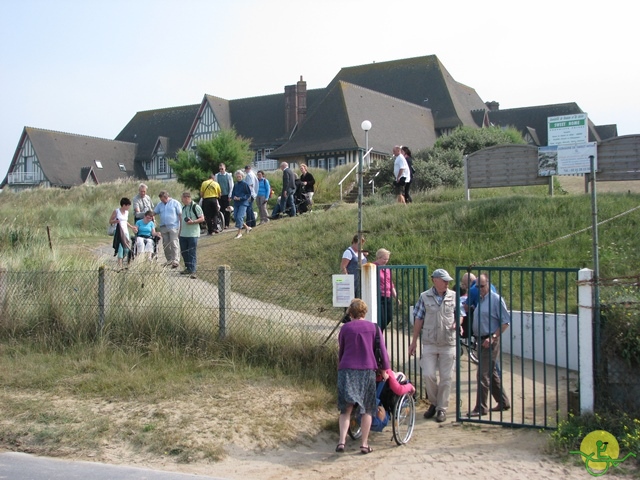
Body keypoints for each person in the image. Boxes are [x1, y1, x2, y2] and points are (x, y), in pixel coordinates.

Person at [336, 298, 390, 455]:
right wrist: (385, 369)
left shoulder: (345, 329)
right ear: (364, 312)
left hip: (347, 369)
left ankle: (341, 441)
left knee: (346, 409)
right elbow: (382, 351)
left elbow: (342, 350)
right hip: (367, 370)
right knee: (367, 408)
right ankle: (364, 444)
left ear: (350, 313)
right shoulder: (373, 328)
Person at [409, 268, 457, 423]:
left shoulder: (453, 296)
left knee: (446, 378)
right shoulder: (424, 296)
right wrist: (414, 341)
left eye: (448, 281)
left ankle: (441, 408)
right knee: (429, 374)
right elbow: (418, 319)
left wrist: (458, 323)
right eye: (444, 281)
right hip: (429, 342)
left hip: (448, 342)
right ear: (435, 281)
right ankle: (435, 403)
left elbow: (460, 314)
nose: (447, 283)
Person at [467, 273, 511, 417]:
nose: (480, 289)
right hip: (481, 340)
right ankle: (503, 402)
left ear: (489, 284)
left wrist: (492, 337)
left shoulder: (495, 300)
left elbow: (505, 322)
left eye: (482, 286)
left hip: (490, 341)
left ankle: (481, 408)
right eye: (477, 286)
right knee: (491, 373)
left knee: (482, 374)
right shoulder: (481, 300)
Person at [154, 190, 182, 268]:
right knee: (165, 244)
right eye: (161, 200)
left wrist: (181, 226)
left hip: (173, 226)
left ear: (166, 197)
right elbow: (154, 212)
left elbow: (180, 214)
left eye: (163, 199)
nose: (162, 201)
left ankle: (175, 260)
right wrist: (153, 219)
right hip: (163, 227)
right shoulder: (160, 205)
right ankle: (169, 260)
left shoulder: (175, 203)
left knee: (174, 243)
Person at [179, 192, 204, 279]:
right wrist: (180, 232)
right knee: (184, 252)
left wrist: (193, 222)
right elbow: (182, 221)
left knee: (191, 252)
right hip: (183, 234)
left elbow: (202, 218)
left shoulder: (195, 207)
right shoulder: (183, 208)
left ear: (187, 198)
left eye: (183, 198)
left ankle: (193, 271)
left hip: (193, 234)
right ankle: (188, 268)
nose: (182, 200)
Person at [372, 248, 399, 331]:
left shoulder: (387, 269)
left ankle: (378, 333)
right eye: (384, 259)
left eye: (387, 259)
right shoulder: (373, 267)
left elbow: (391, 283)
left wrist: (396, 296)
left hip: (388, 296)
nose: (386, 261)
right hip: (379, 297)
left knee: (389, 317)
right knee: (381, 319)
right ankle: (378, 335)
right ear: (378, 257)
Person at [109, 197, 138, 270]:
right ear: (124, 205)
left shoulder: (127, 213)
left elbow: (125, 221)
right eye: (128, 205)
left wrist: (131, 227)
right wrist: (115, 221)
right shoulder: (116, 211)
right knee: (120, 248)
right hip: (118, 231)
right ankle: (120, 265)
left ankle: (122, 260)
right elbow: (110, 221)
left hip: (125, 232)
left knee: (126, 249)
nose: (128, 207)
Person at [231, 170, 252, 239]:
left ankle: (239, 233)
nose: (238, 177)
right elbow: (233, 193)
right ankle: (247, 228)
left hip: (243, 203)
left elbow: (248, 194)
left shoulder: (245, 184)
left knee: (240, 217)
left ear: (242, 176)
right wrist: (233, 197)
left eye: (239, 176)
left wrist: (240, 198)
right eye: (237, 176)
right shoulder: (236, 184)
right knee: (236, 217)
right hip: (236, 203)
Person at [215, 163, 234, 229]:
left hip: (226, 195)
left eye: (222, 169)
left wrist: (230, 195)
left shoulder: (228, 175)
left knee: (227, 209)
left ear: (225, 168)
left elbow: (231, 186)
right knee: (221, 209)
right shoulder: (217, 175)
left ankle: (227, 224)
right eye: (220, 169)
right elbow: (216, 185)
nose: (221, 170)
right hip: (220, 195)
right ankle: (221, 224)